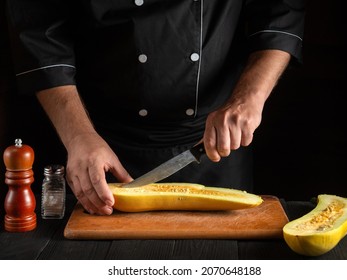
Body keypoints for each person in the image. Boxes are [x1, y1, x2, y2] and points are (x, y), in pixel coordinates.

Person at [6, 0, 305, 215]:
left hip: (213, 145)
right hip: (99, 143)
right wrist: (78, 136)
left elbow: (280, 12)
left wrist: (248, 98)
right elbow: (39, 28)